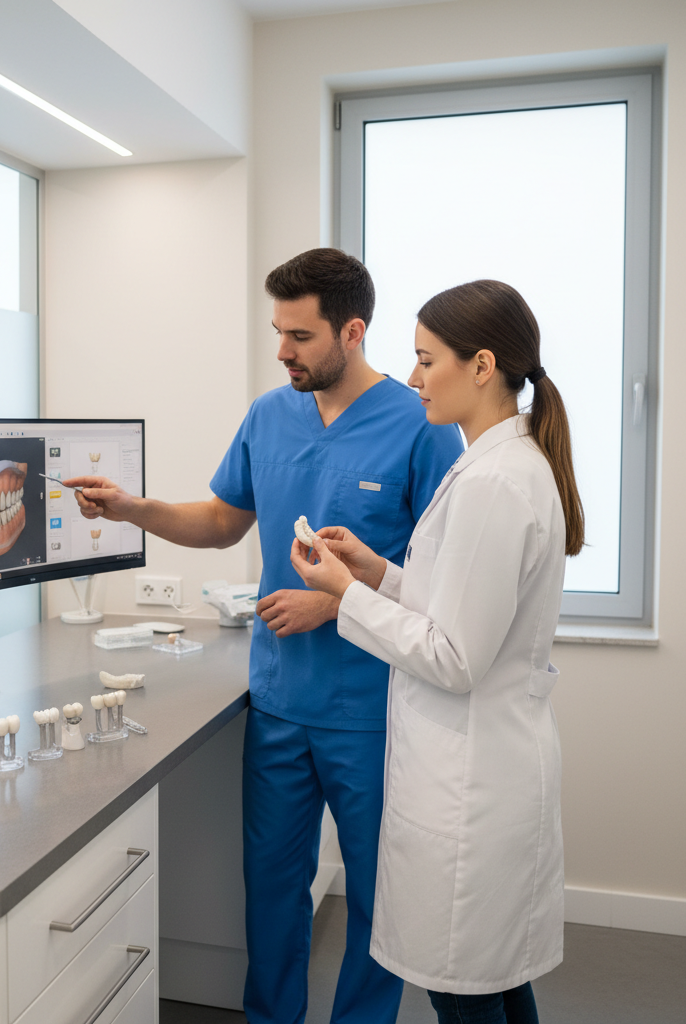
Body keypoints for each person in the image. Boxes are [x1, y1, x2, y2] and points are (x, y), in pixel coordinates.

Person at [64, 249, 463, 1022]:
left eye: (301, 336)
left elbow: (438, 576)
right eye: (277, 332)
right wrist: (131, 508)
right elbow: (221, 522)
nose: (282, 350)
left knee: (381, 896)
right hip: (279, 700)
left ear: (352, 331)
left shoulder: (421, 425)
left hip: (373, 707)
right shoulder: (267, 415)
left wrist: (337, 602)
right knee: (272, 891)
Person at [290, 279, 583, 1024]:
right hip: (477, 770)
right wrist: (375, 571)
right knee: (498, 980)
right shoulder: (491, 464)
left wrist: (341, 597)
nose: (413, 379)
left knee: (466, 988)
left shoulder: (496, 482)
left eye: (426, 361)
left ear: (482, 365)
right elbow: (453, 601)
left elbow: (455, 656)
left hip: (471, 787)